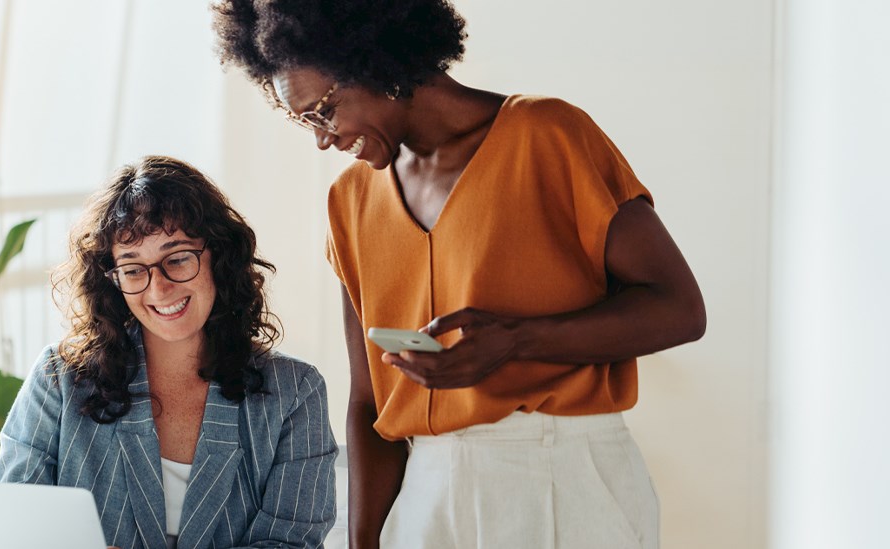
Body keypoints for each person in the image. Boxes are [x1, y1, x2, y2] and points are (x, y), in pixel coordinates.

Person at [212, 1, 708, 548]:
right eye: (303, 120)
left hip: (562, 475)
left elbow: (679, 308)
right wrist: (364, 541)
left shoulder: (547, 134)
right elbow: (369, 403)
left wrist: (518, 341)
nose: (322, 138)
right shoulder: (349, 201)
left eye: (323, 110)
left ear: (376, 62)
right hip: (426, 492)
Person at [0, 155, 338, 549]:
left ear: (219, 256)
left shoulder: (294, 393)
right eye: (133, 269)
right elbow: (16, 523)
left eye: (178, 258)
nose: (159, 288)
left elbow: (290, 543)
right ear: (112, 280)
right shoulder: (60, 379)